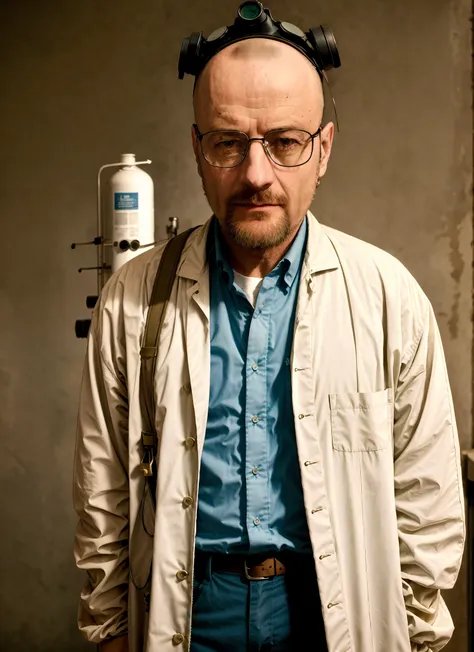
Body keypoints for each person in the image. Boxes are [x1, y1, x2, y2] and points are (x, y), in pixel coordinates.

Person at [73, 10, 465, 652]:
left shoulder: (387, 297)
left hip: (333, 615)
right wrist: (112, 633)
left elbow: (427, 495)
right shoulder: (133, 299)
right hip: (190, 617)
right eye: (228, 143)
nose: (256, 174)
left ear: (324, 149)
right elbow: (102, 488)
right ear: (197, 148)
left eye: (285, 142)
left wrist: (417, 634)